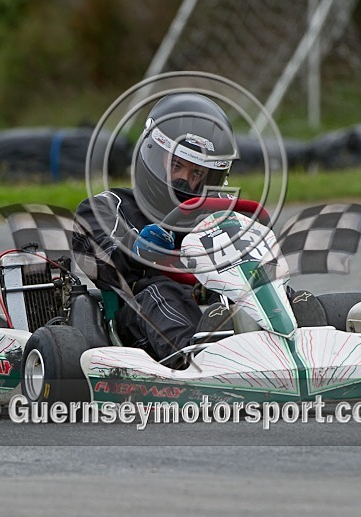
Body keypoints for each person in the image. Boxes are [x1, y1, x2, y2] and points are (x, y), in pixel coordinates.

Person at [72, 93, 238, 361]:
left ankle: (298, 332)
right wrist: (138, 251)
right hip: (140, 317)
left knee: (260, 287)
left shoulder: (215, 212)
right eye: (177, 166)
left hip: (212, 300)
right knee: (160, 290)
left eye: (197, 173)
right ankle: (196, 357)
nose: (185, 180)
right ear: (154, 154)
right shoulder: (109, 205)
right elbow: (97, 260)